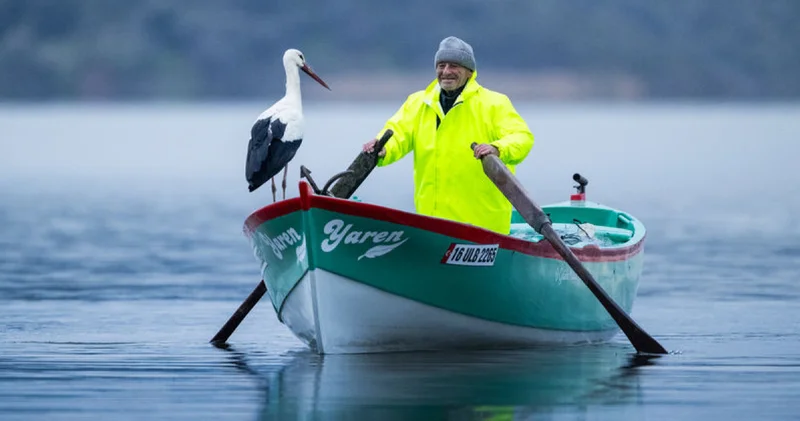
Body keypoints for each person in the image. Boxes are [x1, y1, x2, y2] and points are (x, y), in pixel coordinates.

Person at [363, 36, 534, 234]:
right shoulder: (418, 103)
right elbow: (398, 133)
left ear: (469, 71)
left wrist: (498, 148)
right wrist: (383, 148)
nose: (446, 72)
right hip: (432, 226)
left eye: (454, 66)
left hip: (484, 228)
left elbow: (521, 137)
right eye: (441, 65)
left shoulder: (494, 103)